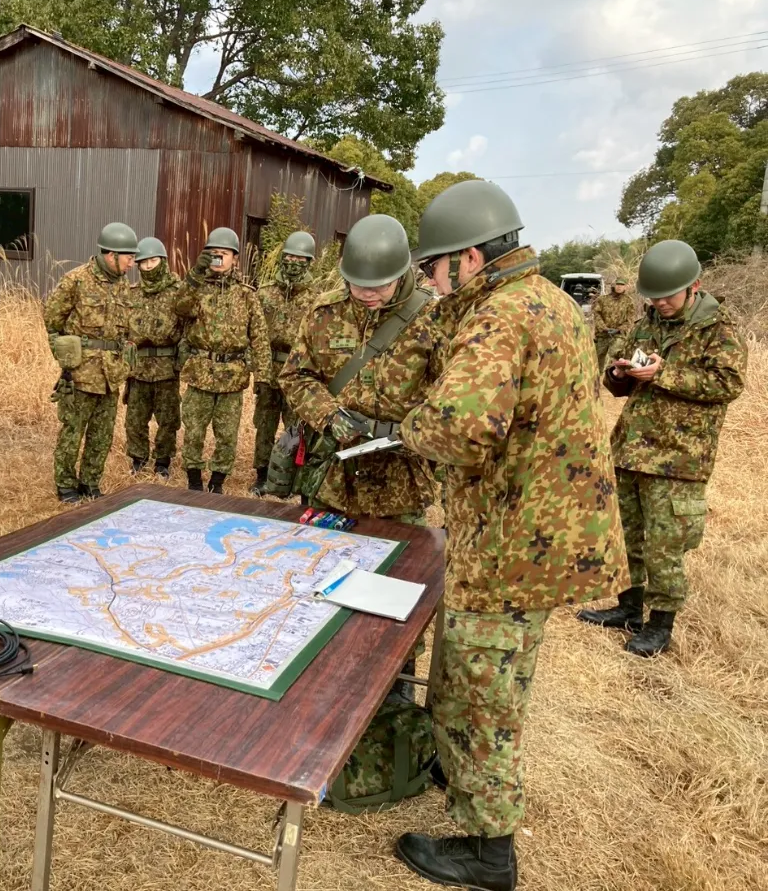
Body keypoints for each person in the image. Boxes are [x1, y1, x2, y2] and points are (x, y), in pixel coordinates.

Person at [394, 180, 628, 891]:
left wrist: (408, 427)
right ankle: (458, 776)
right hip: (545, 531)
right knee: (491, 676)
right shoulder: (552, 301)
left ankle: (488, 851)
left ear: (469, 258)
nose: (432, 282)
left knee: (481, 692)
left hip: (510, 544)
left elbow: (461, 428)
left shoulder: (498, 315)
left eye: (435, 267)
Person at [579, 240, 747, 656]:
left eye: (668, 295)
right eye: (653, 296)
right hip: (632, 449)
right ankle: (629, 608)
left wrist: (664, 373)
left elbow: (728, 383)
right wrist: (619, 374)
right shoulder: (647, 322)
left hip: (678, 457)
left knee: (665, 545)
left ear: (694, 286)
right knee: (626, 534)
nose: (660, 303)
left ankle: (660, 625)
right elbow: (618, 379)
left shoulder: (718, 328)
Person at [279, 215, 441, 525]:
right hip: (332, 475)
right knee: (321, 550)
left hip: (400, 481)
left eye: (379, 286)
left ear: (400, 274)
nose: (367, 294)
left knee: (401, 553)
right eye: (358, 284)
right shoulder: (324, 312)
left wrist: (419, 431)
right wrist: (328, 416)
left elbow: (450, 394)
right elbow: (296, 376)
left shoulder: (433, 318)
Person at [45, 222, 138, 503]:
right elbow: (52, 320)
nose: (132, 263)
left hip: (111, 374)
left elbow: (126, 329)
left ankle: (90, 482)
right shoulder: (76, 280)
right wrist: (65, 355)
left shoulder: (123, 285)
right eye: (129, 257)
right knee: (73, 431)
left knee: (102, 434)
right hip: (81, 373)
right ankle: (65, 484)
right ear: (111, 255)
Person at [175, 227, 271, 493]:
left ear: (235, 258)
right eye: (213, 253)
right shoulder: (196, 288)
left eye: (224, 253)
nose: (218, 258)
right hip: (200, 372)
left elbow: (259, 337)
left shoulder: (247, 295)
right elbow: (179, 307)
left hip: (232, 376)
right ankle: (194, 480)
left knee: (227, 434)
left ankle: (217, 482)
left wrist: (263, 376)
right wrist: (195, 273)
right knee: (194, 431)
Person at [251, 231, 320, 495]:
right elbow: (252, 334)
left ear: (309, 262)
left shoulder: (316, 299)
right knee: (264, 424)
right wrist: (257, 369)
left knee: (296, 427)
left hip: (298, 372)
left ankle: (290, 479)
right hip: (269, 368)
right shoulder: (264, 293)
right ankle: (261, 476)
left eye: (300, 258)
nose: (293, 262)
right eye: (290, 256)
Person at [124, 237, 184, 478]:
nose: (148, 266)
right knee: (135, 419)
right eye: (144, 262)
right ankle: (138, 459)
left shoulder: (178, 292)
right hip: (138, 368)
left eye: (153, 261)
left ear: (163, 261)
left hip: (167, 368)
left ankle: (162, 461)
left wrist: (181, 362)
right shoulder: (132, 294)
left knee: (168, 419)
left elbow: (187, 329)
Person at [591, 277, 640, 375]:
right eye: (617, 284)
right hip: (602, 334)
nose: (619, 287)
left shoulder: (628, 301)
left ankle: (611, 375)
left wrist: (618, 330)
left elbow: (630, 319)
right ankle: (597, 376)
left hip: (618, 335)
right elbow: (596, 314)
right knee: (598, 356)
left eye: (622, 285)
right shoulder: (603, 299)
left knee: (615, 353)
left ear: (626, 287)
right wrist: (604, 328)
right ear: (614, 286)